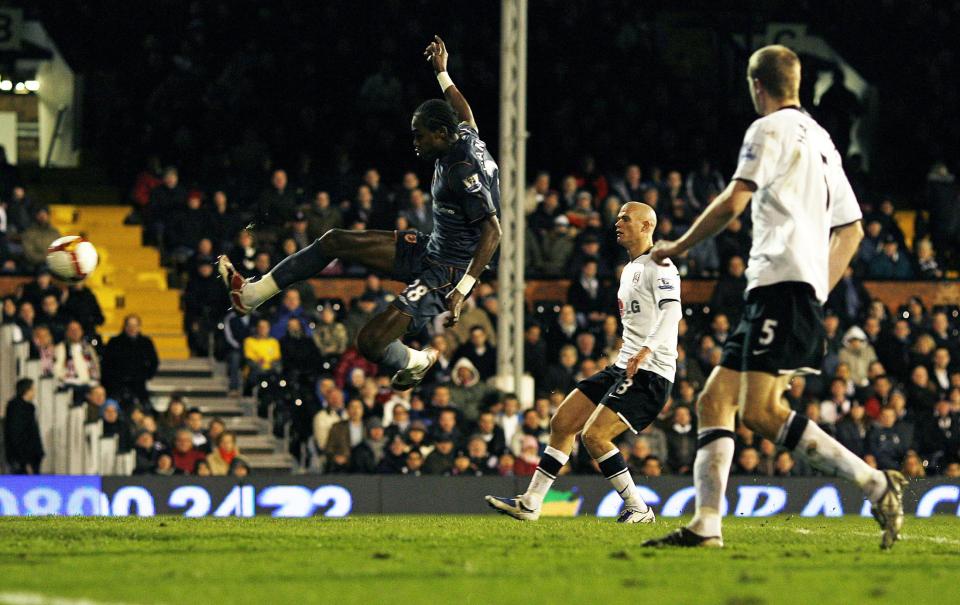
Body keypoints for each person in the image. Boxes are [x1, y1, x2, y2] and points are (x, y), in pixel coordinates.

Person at [644, 45, 904, 550]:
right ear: (797, 84)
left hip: (780, 287)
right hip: (788, 289)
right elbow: (851, 230)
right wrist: (818, 289)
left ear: (755, 85)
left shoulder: (768, 129)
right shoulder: (823, 139)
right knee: (717, 401)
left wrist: (677, 246)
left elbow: (734, 200)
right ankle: (707, 525)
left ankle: (875, 484)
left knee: (760, 409)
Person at [219, 36, 501, 392]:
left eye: (420, 136)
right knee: (334, 240)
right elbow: (463, 110)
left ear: (440, 134)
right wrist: (443, 72)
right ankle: (253, 295)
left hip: (448, 271)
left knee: (369, 343)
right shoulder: (462, 132)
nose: (415, 142)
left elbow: (494, 232)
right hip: (433, 247)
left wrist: (462, 289)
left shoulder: (463, 170)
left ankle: (417, 359)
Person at [486, 202, 680, 524]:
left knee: (594, 437)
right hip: (624, 365)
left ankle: (639, 508)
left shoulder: (660, 264)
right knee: (562, 424)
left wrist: (646, 349)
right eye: (617, 216)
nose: (617, 222)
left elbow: (672, 312)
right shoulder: (631, 267)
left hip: (651, 371)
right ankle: (531, 502)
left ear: (647, 226)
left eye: (626, 218)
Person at [101, 314, 159, 411]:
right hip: (117, 386)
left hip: (139, 385)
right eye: (129, 325)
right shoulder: (114, 342)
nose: (132, 328)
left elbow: (154, 362)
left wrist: (146, 375)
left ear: (139, 327)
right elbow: (107, 364)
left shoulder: (146, 342)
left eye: (135, 325)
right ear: (125, 326)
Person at [4, 378, 44, 474]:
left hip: (30, 458)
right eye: (33, 389)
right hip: (22, 459)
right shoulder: (17, 409)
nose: (34, 392)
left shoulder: (28, 407)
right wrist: (25, 461)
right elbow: (18, 435)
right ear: (26, 390)